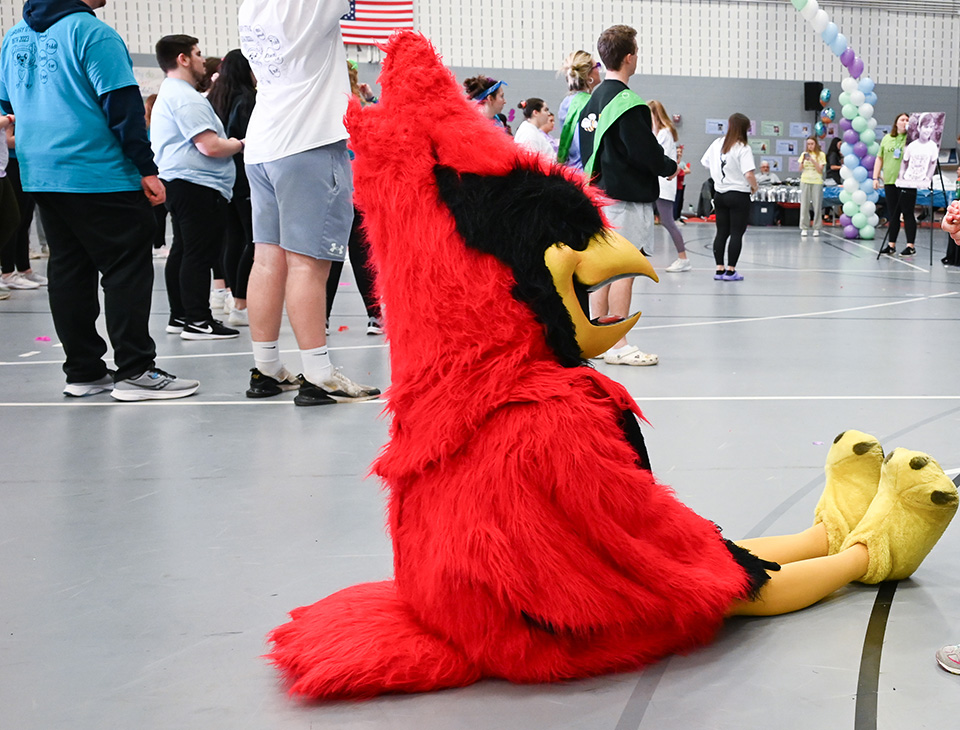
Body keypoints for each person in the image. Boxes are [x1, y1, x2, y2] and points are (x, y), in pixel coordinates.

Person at [0, 0, 199, 401]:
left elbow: (6, 106)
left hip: (41, 172)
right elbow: (122, 106)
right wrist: (146, 167)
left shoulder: (14, 37)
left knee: (69, 269)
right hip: (99, 171)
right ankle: (136, 370)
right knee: (127, 268)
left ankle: (84, 371)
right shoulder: (92, 33)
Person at [238, 0, 380, 405]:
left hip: (262, 146)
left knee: (266, 259)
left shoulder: (251, 7)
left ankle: (265, 369)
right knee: (307, 263)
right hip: (307, 144)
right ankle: (318, 375)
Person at [577, 25, 676, 366]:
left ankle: (599, 338)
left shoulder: (592, 103)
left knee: (602, 271)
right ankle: (618, 342)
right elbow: (643, 152)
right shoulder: (629, 105)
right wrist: (669, 165)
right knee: (622, 270)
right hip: (625, 199)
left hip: (598, 196)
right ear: (630, 57)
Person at [151, 34, 243, 341]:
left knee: (184, 251)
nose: (204, 60)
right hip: (196, 185)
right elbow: (210, 146)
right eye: (199, 54)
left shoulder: (173, 93)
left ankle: (181, 316)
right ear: (183, 59)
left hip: (183, 183)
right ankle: (198, 320)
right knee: (198, 255)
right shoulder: (185, 97)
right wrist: (241, 143)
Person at [207, 48, 258, 328]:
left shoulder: (217, 98)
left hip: (225, 176)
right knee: (254, 239)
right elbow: (253, 138)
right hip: (245, 175)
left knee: (234, 238)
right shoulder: (247, 99)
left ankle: (226, 295)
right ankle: (240, 302)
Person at [700, 113, 758, 281]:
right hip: (739, 194)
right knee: (737, 233)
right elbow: (748, 174)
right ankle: (731, 271)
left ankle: (719, 269)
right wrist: (755, 186)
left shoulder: (717, 143)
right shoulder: (743, 148)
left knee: (721, 232)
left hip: (720, 194)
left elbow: (705, 163)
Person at [648, 99, 689, 273]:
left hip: (663, 183)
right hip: (655, 183)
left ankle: (683, 258)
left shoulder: (664, 133)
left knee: (667, 221)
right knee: (646, 220)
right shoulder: (657, 133)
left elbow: (657, 157)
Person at [873, 113, 915, 257]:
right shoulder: (887, 138)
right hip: (890, 181)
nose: (905, 122)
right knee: (893, 214)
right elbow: (879, 158)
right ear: (896, 123)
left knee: (907, 212)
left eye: (907, 120)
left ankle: (910, 246)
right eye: (902, 120)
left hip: (907, 181)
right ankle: (891, 245)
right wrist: (875, 177)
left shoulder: (911, 140)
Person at [556, 50, 600, 169]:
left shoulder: (566, 103)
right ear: (588, 75)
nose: (599, 70)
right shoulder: (591, 103)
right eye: (597, 66)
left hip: (570, 169)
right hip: (586, 172)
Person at [798, 136, 826, 237]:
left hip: (816, 181)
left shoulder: (821, 155)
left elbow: (820, 170)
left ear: (816, 144)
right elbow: (800, 169)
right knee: (804, 205)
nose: (810, 146)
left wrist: (813, 160)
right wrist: (803, 161)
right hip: (805, 180)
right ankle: (804, 227)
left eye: (812, 144)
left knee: (817, 205)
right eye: (808, 144)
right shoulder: (803, 154)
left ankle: (816, 227)